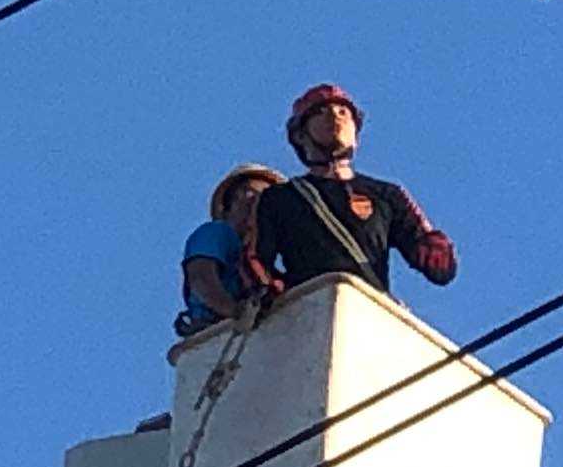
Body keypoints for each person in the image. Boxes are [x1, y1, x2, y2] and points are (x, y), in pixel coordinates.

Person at [249, 84, 456, 298]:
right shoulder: (280, 199)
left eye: (343, 112)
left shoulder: (387, 194)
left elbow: (440, 268)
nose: (334, 117)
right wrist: (274, 293)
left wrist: (434, 249)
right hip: (309, 311)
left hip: (368, 312)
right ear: (300, 136)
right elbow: (254, 260)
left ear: (356, 135)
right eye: (320, 112)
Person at [175, 162, 285, 337]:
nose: (255, 203)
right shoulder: (219, 233)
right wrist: (235, 312)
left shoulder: (266, 257)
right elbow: (201, 277)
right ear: (228, 207)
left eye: (265, 198)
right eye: (249, 194)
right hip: (216, 333)